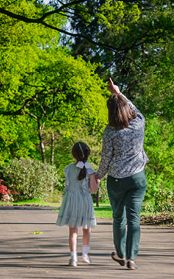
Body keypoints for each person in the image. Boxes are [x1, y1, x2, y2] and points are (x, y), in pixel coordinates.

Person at [95, 78, 148, 270]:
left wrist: (99, 176)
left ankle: (120, 254)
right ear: (126, 107)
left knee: (119, 218)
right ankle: (131, 258)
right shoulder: (139, 123)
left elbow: (105, 159)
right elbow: (135, 109)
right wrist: (119, 93)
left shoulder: (109, 132)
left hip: (116, 180)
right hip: (137, 178)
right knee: (134, 219)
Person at [56, 141, 99, 267]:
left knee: (73, 231)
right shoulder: (90, 170)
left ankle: (73, 258)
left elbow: (67, 186)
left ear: (73, 155)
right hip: (85, 201)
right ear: (88, 154)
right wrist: (97, 181)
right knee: (87, 228)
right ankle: (85, 255)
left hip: (72, 200)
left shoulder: (69, 168)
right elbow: (93, 189)